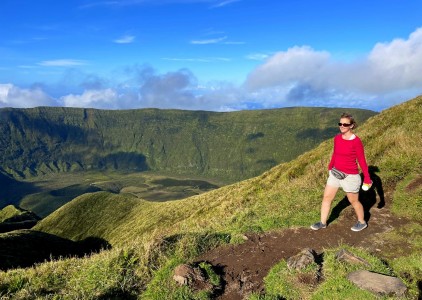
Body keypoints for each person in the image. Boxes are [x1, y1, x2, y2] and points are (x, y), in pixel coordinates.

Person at [311, 113, 372, 232]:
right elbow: (335, 153)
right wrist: (330, 166)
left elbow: (362, 161)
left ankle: (362, 222)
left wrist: (367, 179)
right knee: (327, 197)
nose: (342, 126)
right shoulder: (337, 138)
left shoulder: (356, 141)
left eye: (345, 124)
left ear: (352, 126)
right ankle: (323, 223)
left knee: (353, 201)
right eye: (340, 124)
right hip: (335, 173)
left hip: (350, 176)